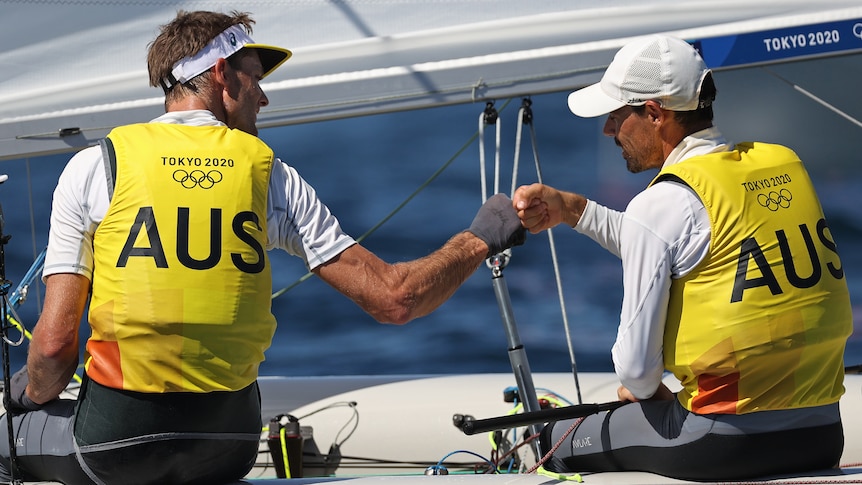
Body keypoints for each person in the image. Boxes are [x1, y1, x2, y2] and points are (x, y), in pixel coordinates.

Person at [0, 10, 525, 484]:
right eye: (256, 78)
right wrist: (480, 236)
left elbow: (51, 350)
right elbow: (395, 298)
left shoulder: (97, 166)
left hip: (118, 445)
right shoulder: (270, 173)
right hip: (227, 447)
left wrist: (28, 394)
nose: (264, 97)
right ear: (222, 73)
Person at [514, 34, 852, 481]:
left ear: (654, 113)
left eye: (616, 115)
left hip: (722, 444)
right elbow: (683, 246)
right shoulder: (782, 165)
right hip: (823, 434)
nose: (608, 130)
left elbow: (635, 372)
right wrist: (575, 210)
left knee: (553, 444)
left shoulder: (662, 204)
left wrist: (646, 394)